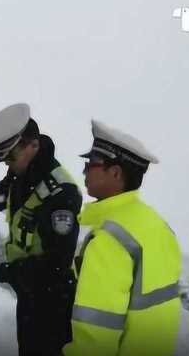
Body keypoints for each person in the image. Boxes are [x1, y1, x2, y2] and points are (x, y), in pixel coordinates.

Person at [0, 103, 82, 356]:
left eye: (10, 157)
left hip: (53, 300)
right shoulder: (24, 170)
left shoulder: (61, 193)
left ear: (33, 145)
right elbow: (5, 188)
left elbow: (56, 263)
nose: (7, 164)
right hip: (29, 292)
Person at [63, 120, 181, 356]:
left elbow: (95, 335)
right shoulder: (157, 224)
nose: (85, 171)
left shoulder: (110, 240)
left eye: (92, 164)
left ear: (115, 173)